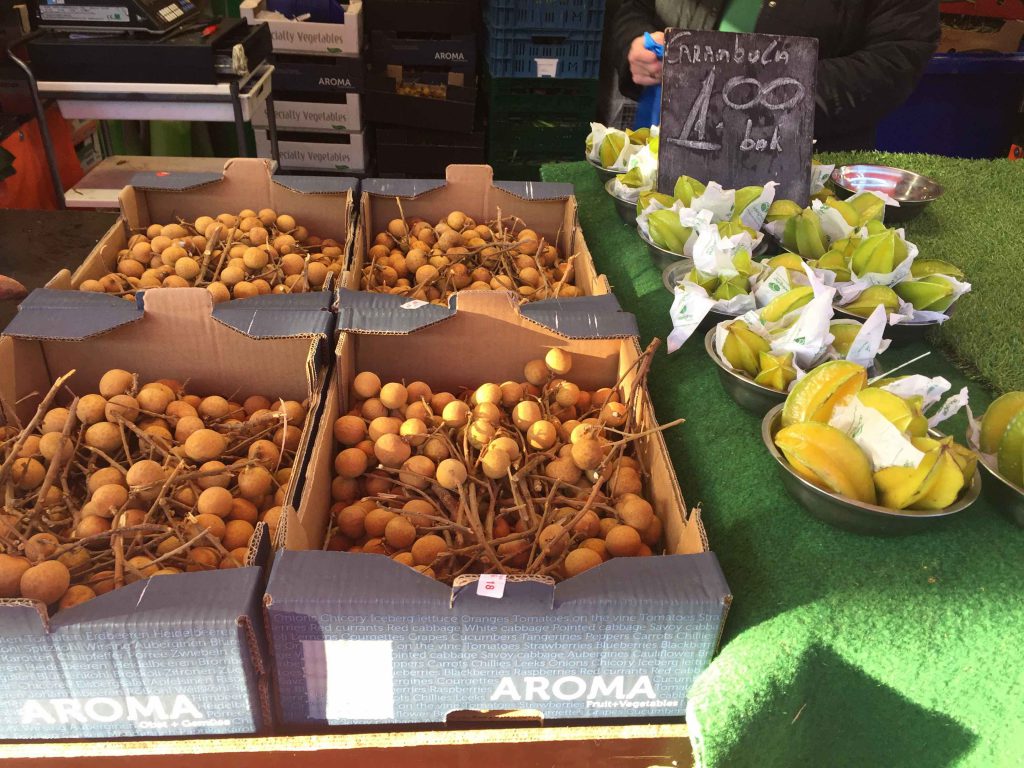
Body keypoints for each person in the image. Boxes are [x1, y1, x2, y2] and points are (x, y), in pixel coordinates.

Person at [613, 0, 940, 150]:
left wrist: (772, 95)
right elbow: (633, 6)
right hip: (670, 142)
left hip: (805, 165)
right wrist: (633, 40)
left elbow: (895, 59)